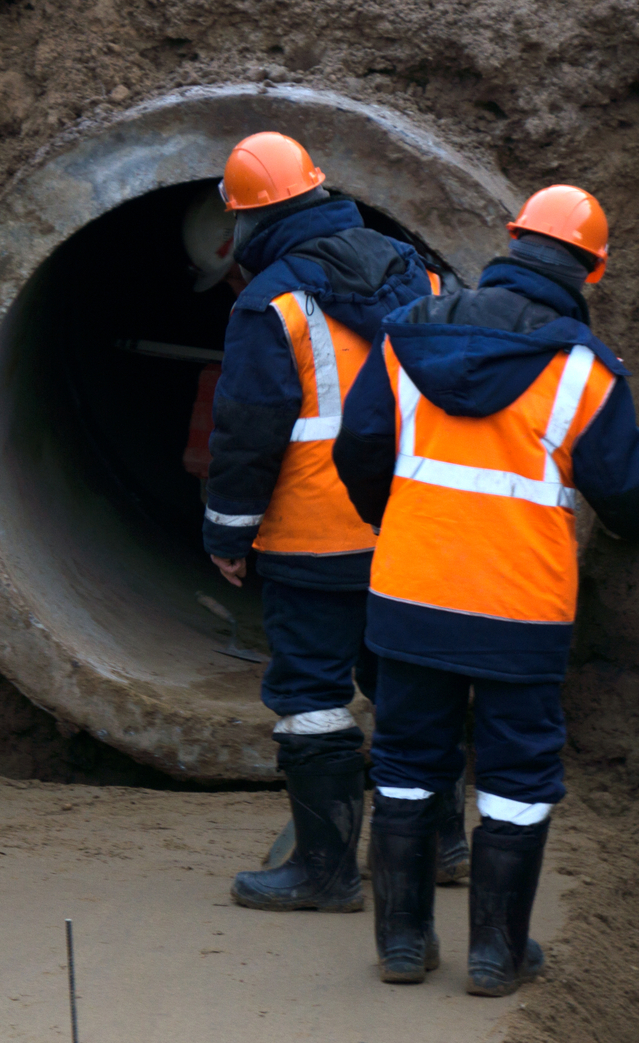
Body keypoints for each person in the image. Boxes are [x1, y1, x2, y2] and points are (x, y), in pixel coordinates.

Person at [333, 184, 639, 993]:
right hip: (520, 611)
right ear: (593, 270)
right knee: (517, 775)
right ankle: (496, 954)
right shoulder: (580, 372)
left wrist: (404, 520)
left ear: (511, 240)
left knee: (409, 759)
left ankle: (404, 944)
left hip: (410, 597)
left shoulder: (406, 336)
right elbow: (631, 494)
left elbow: (359, 451)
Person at [201, 131, 448, 913]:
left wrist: (226, 533)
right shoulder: (418, 270)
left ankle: (326, 871)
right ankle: (440, 843)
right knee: (408, 682)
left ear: (247, 219)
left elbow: (247, 428)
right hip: (408, 525)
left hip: (314, 536)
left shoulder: (269, 298)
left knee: (311, 692)